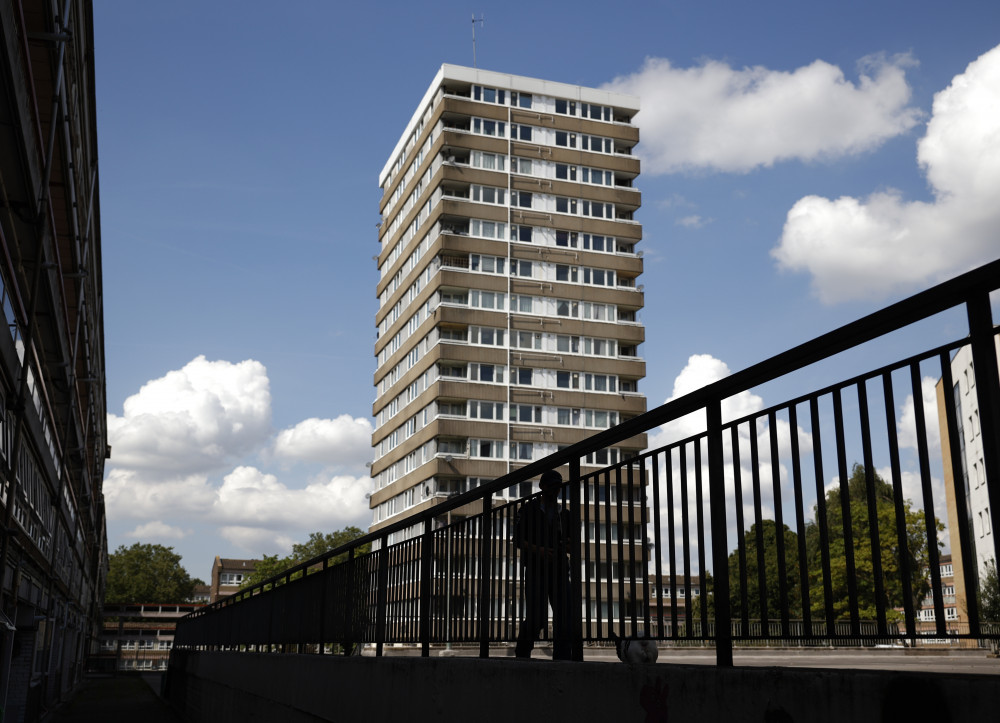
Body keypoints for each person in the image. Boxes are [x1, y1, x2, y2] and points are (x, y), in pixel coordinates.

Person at [514, 469, 572, 660]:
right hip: (536, 570)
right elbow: (517, 540)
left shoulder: (564, 513)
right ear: (542, 487)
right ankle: (522, 653)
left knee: (563, 617)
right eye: (552, 487)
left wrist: (566, 546)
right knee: (536, 618)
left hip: (559, 570)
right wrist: (539, 550)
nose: (556, 491)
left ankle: (562, 658)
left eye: (558, 487)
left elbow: (572, 542)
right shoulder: (528, 510)